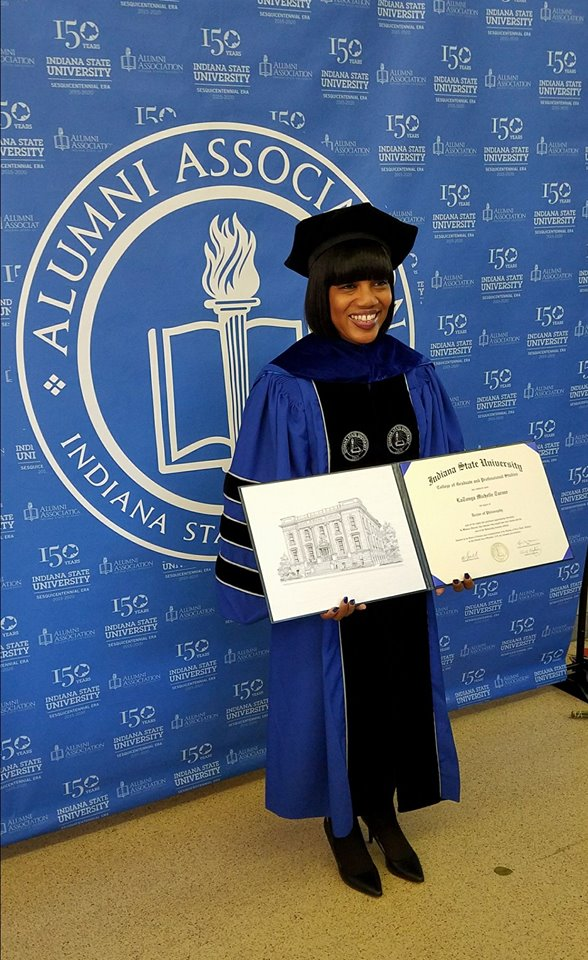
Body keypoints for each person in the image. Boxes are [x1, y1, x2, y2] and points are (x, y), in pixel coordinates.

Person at [215, 203, 471, 898]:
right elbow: (262, 492)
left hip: (401, 586)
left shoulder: (413, 372)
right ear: (320, 293)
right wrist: (304, 587)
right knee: (337, 698)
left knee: (397, 687)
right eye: (348, 287)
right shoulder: (288, 383)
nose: (368, 301)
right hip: (330, 596)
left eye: (380, 283)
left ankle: (383, 812)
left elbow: (444, 473)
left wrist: (455, 549)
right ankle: (339, 825)